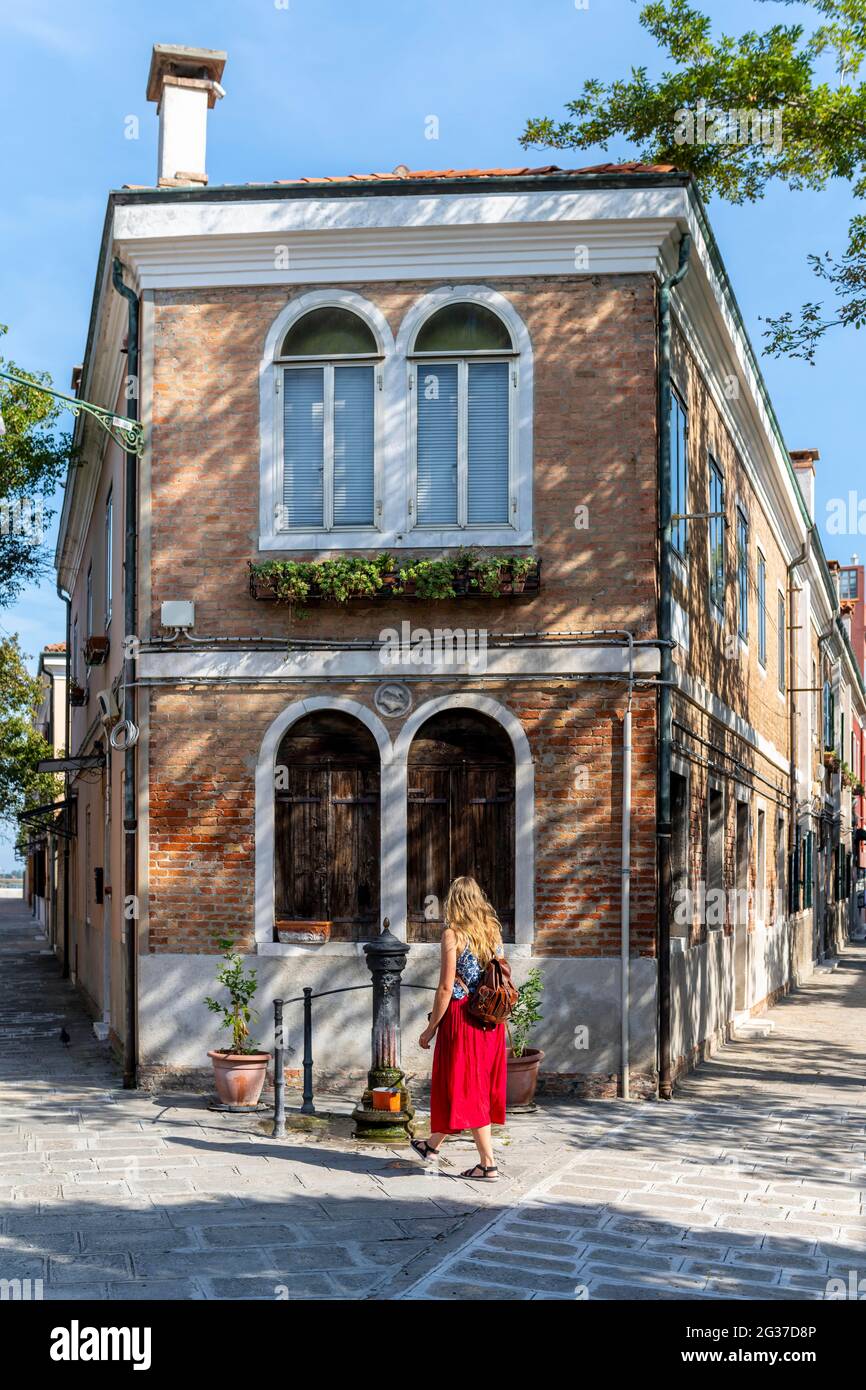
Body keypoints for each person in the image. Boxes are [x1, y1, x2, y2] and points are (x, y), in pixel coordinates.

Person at [410, 875, 506, 1180]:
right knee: (467, 1086)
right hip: (490, 1021)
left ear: (454, 902)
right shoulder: (494, 934)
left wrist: (430, 1029)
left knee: (468, 1088)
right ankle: (431, 1145)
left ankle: (487, 1163)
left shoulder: (453, 935)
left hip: (463, 1019)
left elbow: (445, 988)